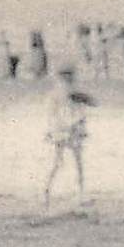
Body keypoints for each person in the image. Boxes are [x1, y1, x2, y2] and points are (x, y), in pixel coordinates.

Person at [43, 65, 94, 209]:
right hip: (70, 129)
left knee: (60, 162)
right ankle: (80, 192)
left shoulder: (56, 93)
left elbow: (53, 114)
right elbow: (79, 111)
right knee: (77, 163)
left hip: (62, 130)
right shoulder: (69, 93)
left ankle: (48, 188)